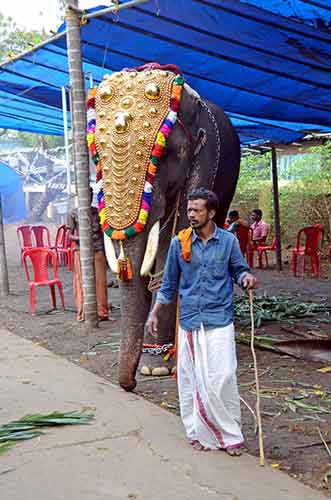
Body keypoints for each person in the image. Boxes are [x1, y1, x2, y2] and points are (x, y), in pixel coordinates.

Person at [146, 188, 256, 455]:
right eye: (189, 209)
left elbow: (239, 269)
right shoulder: (178, 243)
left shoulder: (228, 242)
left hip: (220, 318)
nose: (191, 215)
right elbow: (169, 283)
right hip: (192, 320)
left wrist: (246, 279)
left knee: (224, 376)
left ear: (212, 213)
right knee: (194, 379)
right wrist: (155, 312)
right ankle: (202, 433)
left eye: (197, 210)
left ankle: (228, 433)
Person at [67, 187, 109, 322]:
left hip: (97, 250)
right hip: (82, 251)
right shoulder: (73, 213)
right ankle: (83, 312)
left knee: (100, 281)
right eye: (86, 194)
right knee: (81, 282)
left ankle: (102, 312)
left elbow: (103, 234)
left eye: (91, 194)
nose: (88, 197)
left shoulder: (97, 212)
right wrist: (82, 239)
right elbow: (69, 236)